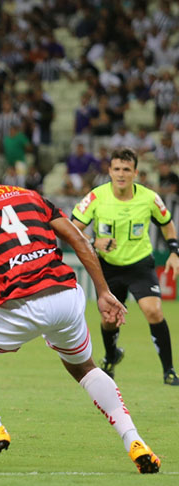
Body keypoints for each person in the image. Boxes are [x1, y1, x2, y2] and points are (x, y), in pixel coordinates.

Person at [0, 142, 160, 474]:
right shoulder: (29, 195)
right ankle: (133, 439)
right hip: (67, 296)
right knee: (84, 367)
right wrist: (102, 291)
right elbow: (79, 240)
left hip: (21, 301)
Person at [70, 148, 179, 385]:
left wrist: (174, 251)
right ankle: (111, 357)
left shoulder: (149, 198)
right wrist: (93, 241)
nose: (121, 174)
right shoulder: (96, 197)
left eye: (126, 169)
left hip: (140, 265)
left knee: (154, 311)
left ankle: (169, 370)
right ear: (109, 171)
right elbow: (72, 227)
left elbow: (167, 223)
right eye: (117, 169)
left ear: (135, 173)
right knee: (109, 319)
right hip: (108, 267)